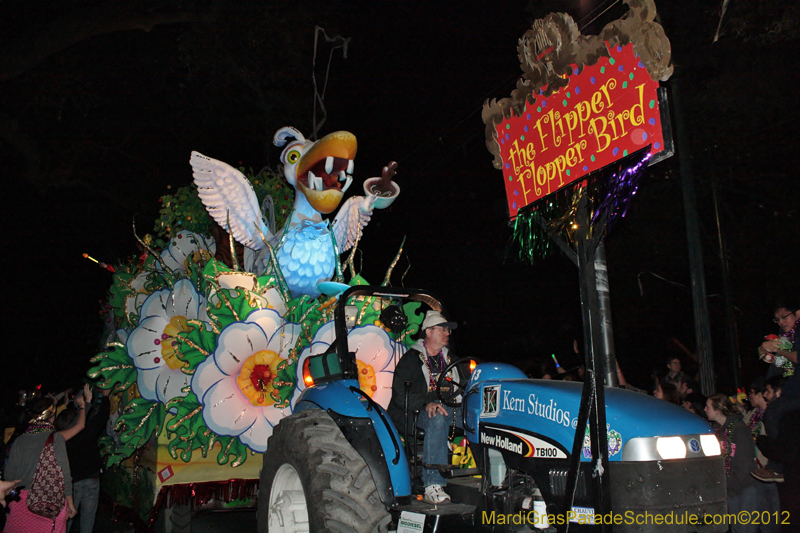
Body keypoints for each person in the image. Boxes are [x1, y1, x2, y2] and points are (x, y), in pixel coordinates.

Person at [388, 310, 463, 504]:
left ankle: (492, 474)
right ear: (428, 331)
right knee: (436, 416)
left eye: (448, 329)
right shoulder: (411, 360)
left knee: (478, 417)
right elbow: (400, 395)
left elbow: (463, 386)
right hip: (411, 410)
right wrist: (426, 403)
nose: (448, 333)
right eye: (443, 329)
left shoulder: (451, 360)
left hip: (446, 408)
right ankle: (432, 485)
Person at [3, 395, 80, 532]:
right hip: (49, 502)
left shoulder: (19, 440)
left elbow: (9, 475)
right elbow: (64, 474)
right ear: (51, 416)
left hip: (20, 503)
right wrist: (70, 502)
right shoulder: (55, 438)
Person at [753, 301, 799, 483]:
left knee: (774, 412)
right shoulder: (786, 335)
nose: (781, 322)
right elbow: (775, 359)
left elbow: (796, 356)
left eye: (784, 317)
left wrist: (778, 349)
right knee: (778, 416)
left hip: (794, 392)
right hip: (790, 388)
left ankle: (777, 466)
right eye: (777, 319)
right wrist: (765, 350)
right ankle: (778, 467)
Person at [54, 386, 109, 533]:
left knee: (67, 520)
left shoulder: (59, 438)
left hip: (72, 484)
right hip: (90, 479)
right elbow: (102, 417)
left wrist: (85, 404)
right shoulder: (87, 432)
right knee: (88, 520)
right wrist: (104, 396)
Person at [705, 393, 760, 533]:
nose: (705, 409)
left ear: (718, 410)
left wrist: (731, 489)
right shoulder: (717, 431)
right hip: (730, 488)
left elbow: (744, 464)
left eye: (708, 407)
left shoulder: (739, 430)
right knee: (736, 527)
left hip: (744, 487)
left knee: (745, 528)